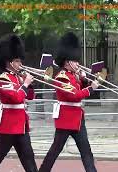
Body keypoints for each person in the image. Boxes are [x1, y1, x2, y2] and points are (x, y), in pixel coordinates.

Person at [39, 32, 99, 172]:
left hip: (77, 119)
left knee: (86, 152)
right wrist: (91, 88)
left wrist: (84, 80)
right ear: (67, 61)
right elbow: (74, 95)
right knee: (54, 152)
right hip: (66, 119)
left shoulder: (74, 76)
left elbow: (80, 91)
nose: (78, 64)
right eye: (75, 61)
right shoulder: (62, 77)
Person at [0, 34, 38, 172]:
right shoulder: (3, 78)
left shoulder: (19, 78)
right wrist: (25, 84)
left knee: (29, 159)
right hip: (8, 126)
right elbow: (16, 98)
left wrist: (29, 84)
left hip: (21, 126)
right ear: (9, 62)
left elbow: (30, 97)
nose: (20, 64)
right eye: (17, 61)